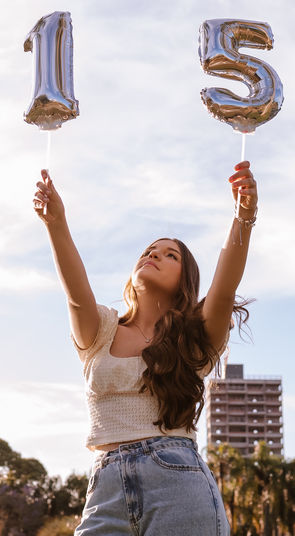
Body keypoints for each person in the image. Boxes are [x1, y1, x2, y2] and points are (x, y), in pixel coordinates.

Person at [32, 161, 257, 535]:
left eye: (171, 256)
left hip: (179, 482)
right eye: (151, 250)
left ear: (184, 281)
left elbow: (225, 284)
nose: (154, 255)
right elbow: (75, 291)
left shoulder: (194, 336)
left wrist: (243, 215)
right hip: (106, 488)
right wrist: (56, 223)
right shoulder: (101, 330)